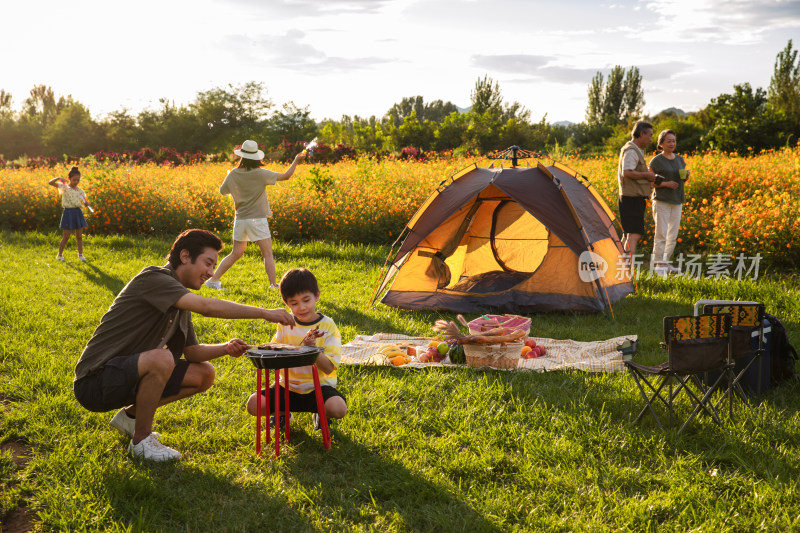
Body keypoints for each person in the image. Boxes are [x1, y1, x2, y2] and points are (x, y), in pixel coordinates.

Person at [72, 229, 296, 461]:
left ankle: (130, 418)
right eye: (208, 264)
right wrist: (264, 313)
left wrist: (226, 347)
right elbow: (207, 307)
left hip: (125, 376)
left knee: (204, 373)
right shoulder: (154, 278)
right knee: (162, 358)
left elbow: (193, 353)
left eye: (213, 266)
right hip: (94, 381)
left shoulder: (180, 302)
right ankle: (141, 441)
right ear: (185, 256)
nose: (210, 273)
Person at [246, 267, 347, 431]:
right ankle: (282, 414)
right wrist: (261, 349)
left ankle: (321, 413)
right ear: (286, 304)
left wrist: (313, 351)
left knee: (338, 408)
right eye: (294, 303)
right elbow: (275, 355)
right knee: (253, 404)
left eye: (306, 300)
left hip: (318, 387)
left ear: (317, 296)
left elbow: (328, 368)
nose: (301, 307)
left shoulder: (328, 325)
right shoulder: (285, 323)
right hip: (287, 386)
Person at [204, 140, 306, 290]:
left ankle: (213, 280)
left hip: (240, 219)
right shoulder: (260, 173)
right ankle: (273, 285)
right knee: (267, 254)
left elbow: (222, 191)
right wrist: (296, 161)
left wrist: (231, 178)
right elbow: (286, 176)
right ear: (256, 157)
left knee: (235, 253)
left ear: (242, 156)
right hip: (257, 219)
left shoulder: (233, 173)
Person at [649, 129, 689, 275]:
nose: (672, 143)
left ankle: (665, 263)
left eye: (673, 141)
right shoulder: (656, 161)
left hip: (677, 200)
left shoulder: (679, 159)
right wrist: (666, 184)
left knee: (673, 234)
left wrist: (687, 176)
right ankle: (658, 265)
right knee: (661, 233)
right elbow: (651, 182)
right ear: (661, 144)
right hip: (662, 201)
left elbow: (682, 179)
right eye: (668, 141)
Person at [48, 166, 94, 262]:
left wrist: (87, 203)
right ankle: (59, 255)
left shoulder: (80, 191)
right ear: (69, 179)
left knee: (79, 236)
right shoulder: (64, 187)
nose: (76, 182)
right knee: (66, 236)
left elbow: (85, 202)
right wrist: (59, 178)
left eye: (78, 180)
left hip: (78, 213)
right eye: (74, 180)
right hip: (68, 213)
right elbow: (50, 183)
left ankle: (80, 255)